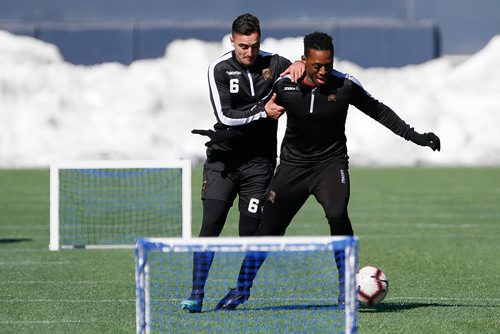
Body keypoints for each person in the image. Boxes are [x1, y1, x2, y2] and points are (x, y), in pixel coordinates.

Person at [214, 31, 441, 311]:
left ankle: (346, 287)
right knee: (268, 229)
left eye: (328, 65)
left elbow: (379, 111)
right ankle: (241, 290)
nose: (323, 71)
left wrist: (415, 136)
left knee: (337, 213)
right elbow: (259, 112)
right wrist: (225, 137)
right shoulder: (285, 85)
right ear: (304, 61)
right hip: (292, 168)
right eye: (316, 65)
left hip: (330, 165)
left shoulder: (345, 85)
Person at [180, 13, 304, 313]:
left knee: (251, 235)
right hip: (223, 162)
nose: (249, 52)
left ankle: (240, 290)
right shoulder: (219, 69)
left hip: (259, 165)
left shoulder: (275, 64)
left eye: (254, 45)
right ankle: (196, 293)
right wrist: (263, 110)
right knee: (211, 224)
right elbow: (226, 116)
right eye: (243, 46)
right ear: (232, 40)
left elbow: (308, 74)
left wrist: (300, 63)